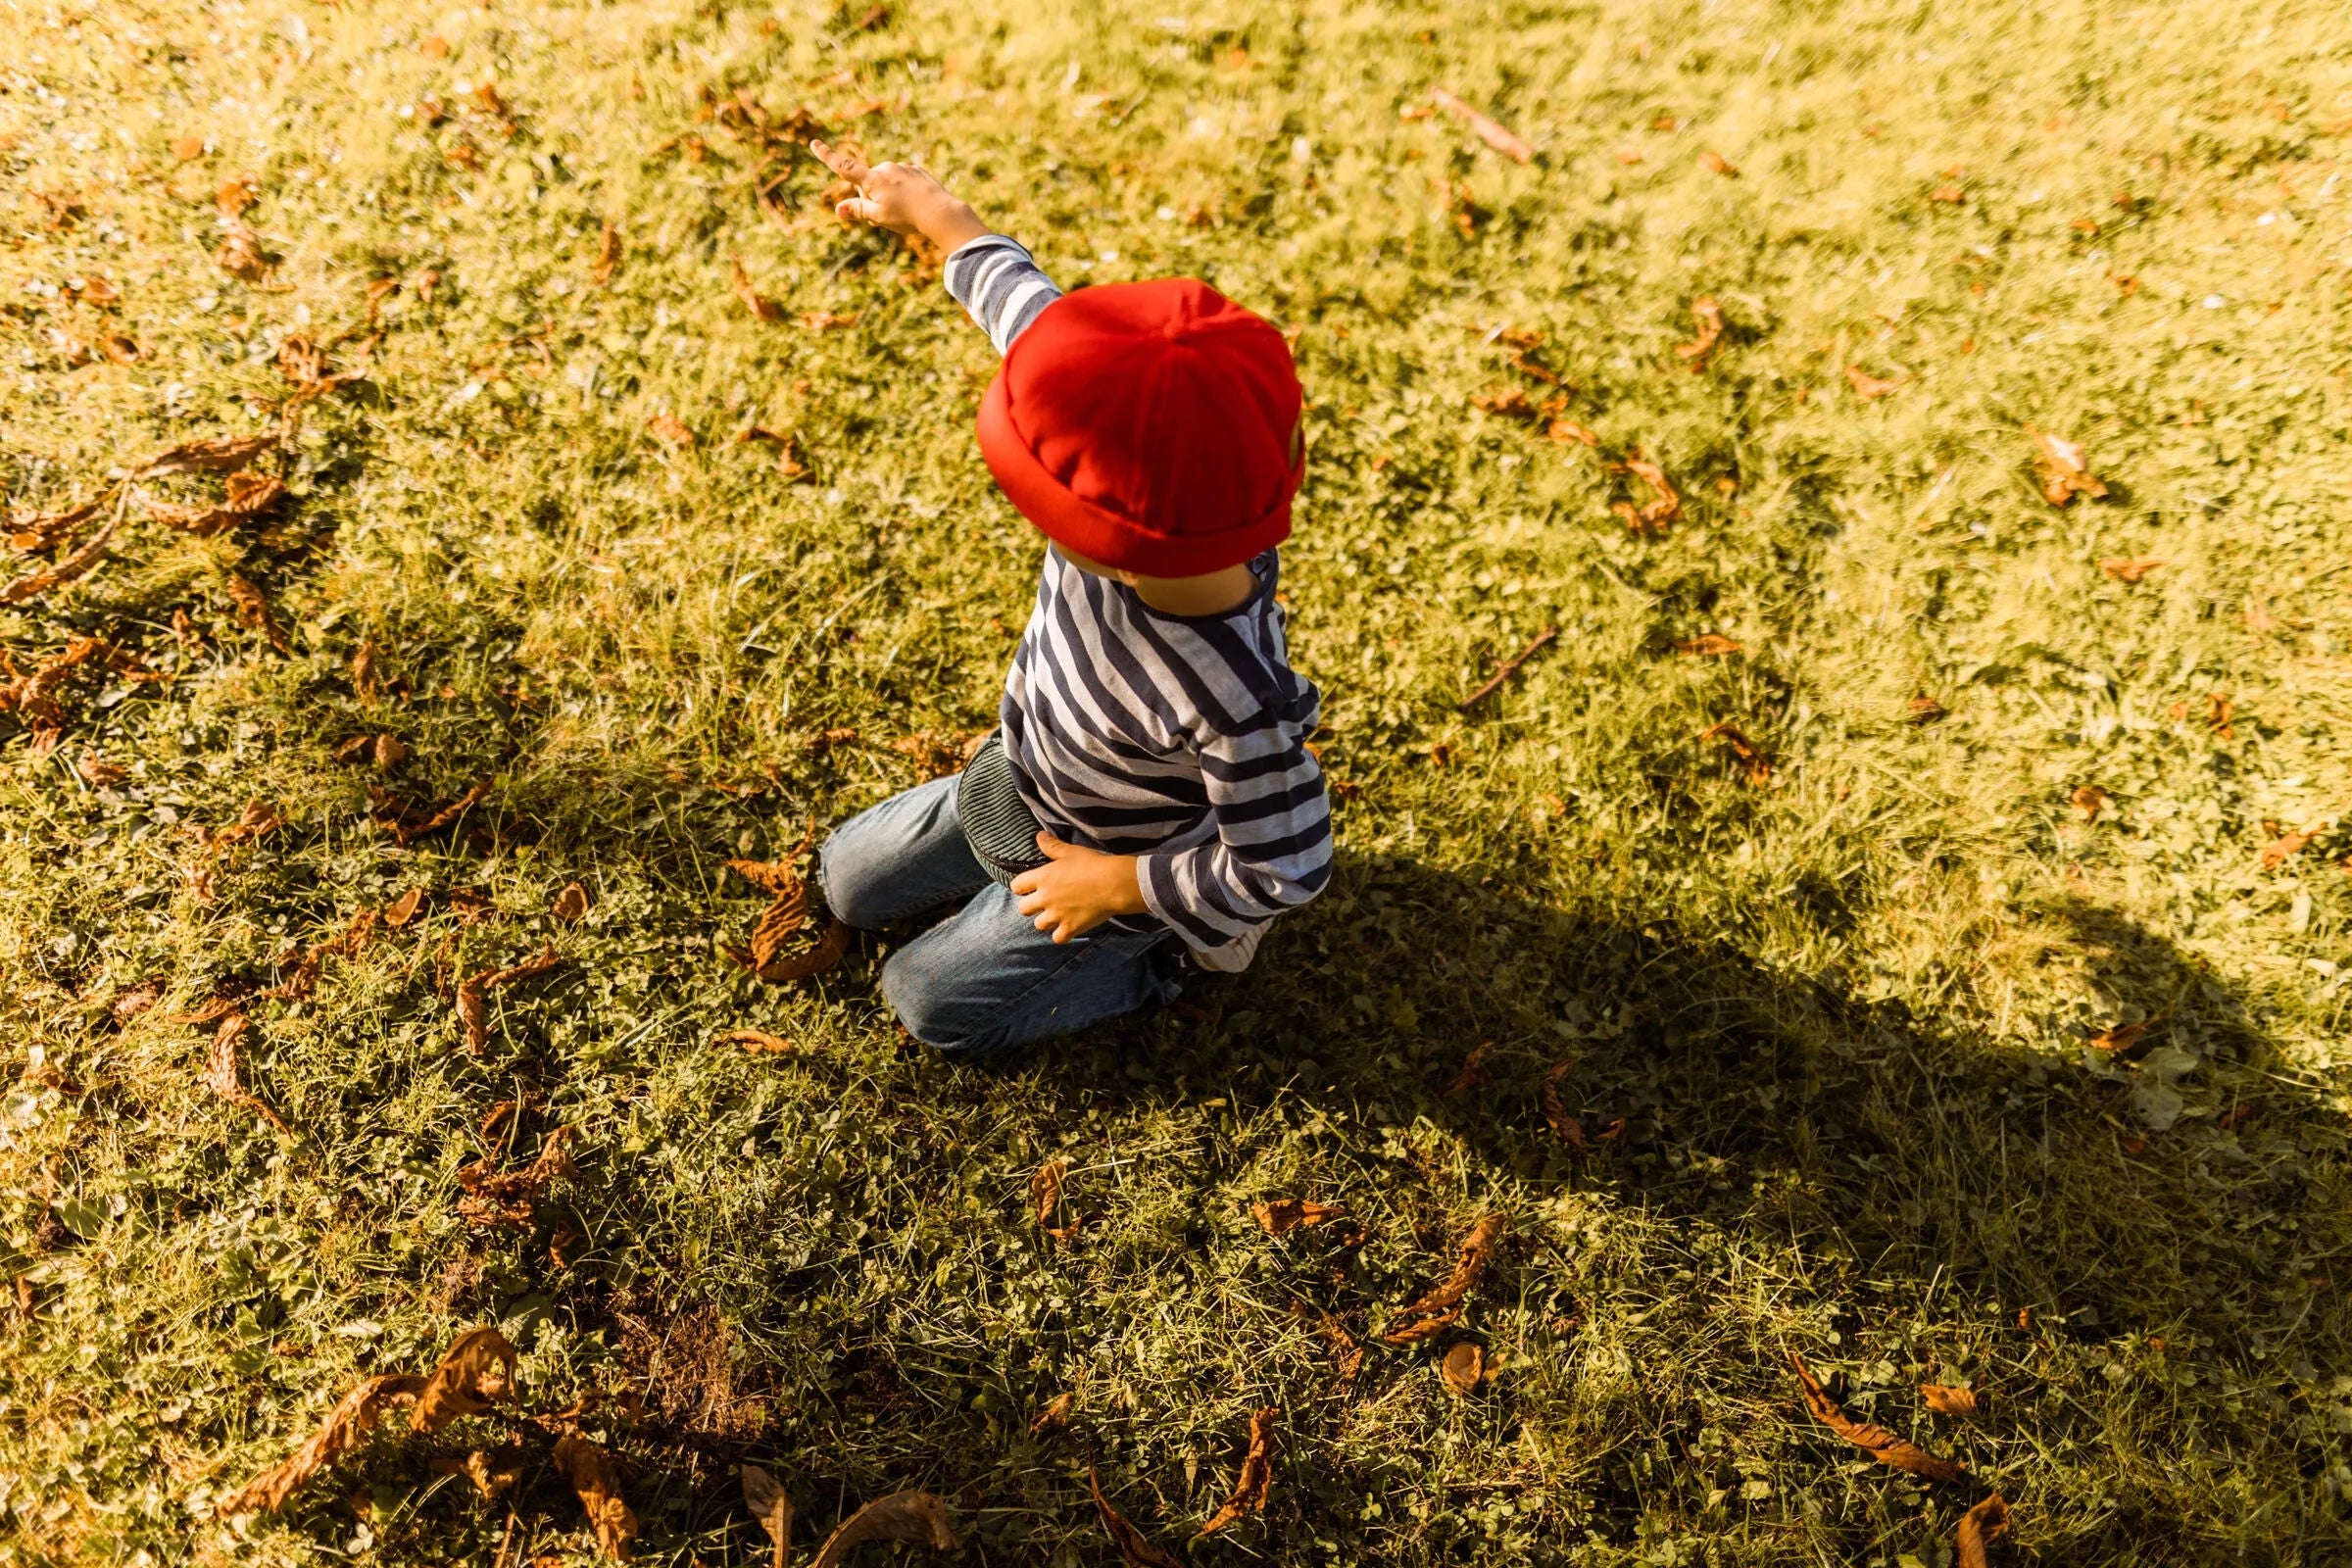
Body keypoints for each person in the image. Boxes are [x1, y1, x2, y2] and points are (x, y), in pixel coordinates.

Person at [805, 137, 1331, 1054]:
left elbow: (1290, 859)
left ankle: (1164, 957)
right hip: (1027, 774)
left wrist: (1120, 888)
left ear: (1104, 534)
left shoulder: (1235, 698)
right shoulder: (1154, 490)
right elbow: (1037, 325)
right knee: (845, 879)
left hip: (1123, 859)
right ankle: (1001, 856)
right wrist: (938, 215)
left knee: (925, 999)